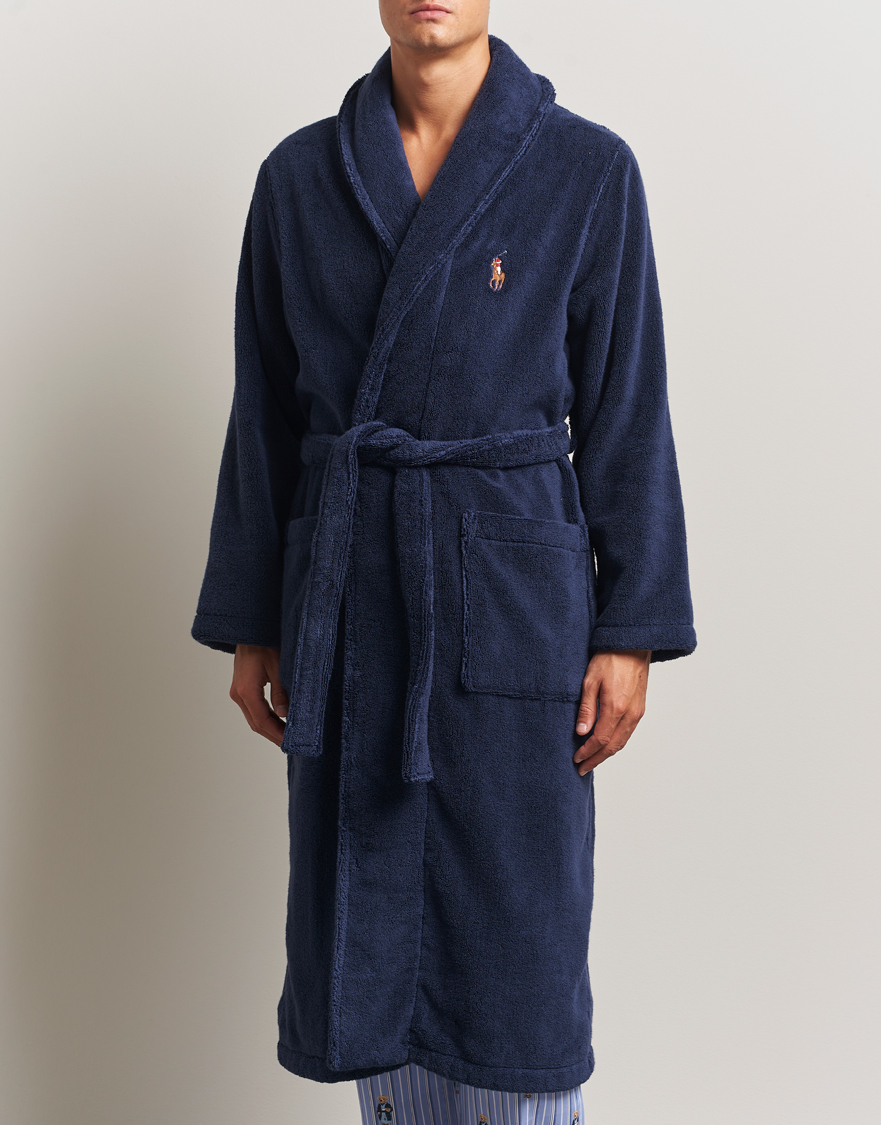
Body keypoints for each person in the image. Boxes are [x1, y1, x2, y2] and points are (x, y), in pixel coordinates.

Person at [191, 2, 696, 1122]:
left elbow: (628, 410)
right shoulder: (299, 181)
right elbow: (263, 416)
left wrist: (632, 628)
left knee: (516, 953)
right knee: (374, 936)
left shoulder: (588, 172)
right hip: (354, 602)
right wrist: (254, 621)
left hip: (514, 605)